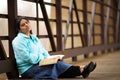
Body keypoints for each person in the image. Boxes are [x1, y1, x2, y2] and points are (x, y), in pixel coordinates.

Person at [12, 17, 96, 80]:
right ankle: (82, 69)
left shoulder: (34, 38)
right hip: (28, 69)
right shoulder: (18, 41)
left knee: (56, 63)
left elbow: (43, 51)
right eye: (23, 25)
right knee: (55, 66)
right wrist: (42, 58)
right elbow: (28, 58)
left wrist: (49, 58)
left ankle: (82, 70)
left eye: (27, 22)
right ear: (19, 29)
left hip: (38, 64)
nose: (26, 25)